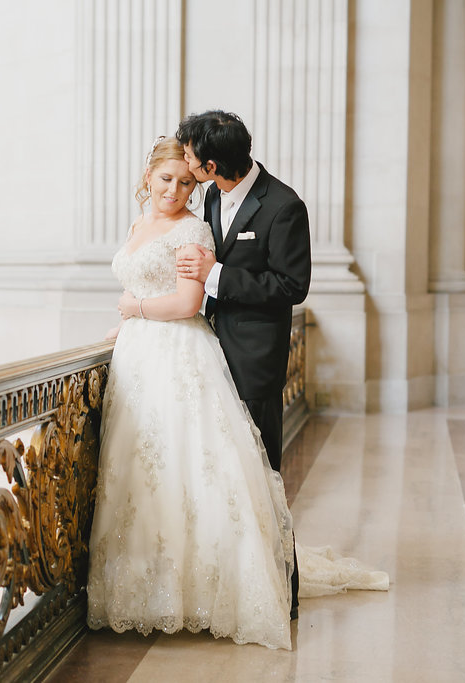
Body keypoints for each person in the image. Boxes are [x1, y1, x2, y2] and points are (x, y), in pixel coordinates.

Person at [87, 136, 296, 649]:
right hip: (138, 354)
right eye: (165, 180)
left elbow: (185, 302)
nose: (175, 190)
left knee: (188, 465)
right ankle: (147, 587)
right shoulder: (140, 225)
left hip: (179, 355)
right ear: (148, 178)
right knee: (140, 468)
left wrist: (134, 310)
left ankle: (203, 590)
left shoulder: (193, 228)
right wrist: (124, 329)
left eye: (185, 182)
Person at [173, 110, 311, 473]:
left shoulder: (284, 206)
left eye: (189, 156)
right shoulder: (213, 197)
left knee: (259, 468)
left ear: (211, 166)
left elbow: (292, 286)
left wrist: (216, 273)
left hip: (255, 359)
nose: (185, 160)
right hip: (209, 351)